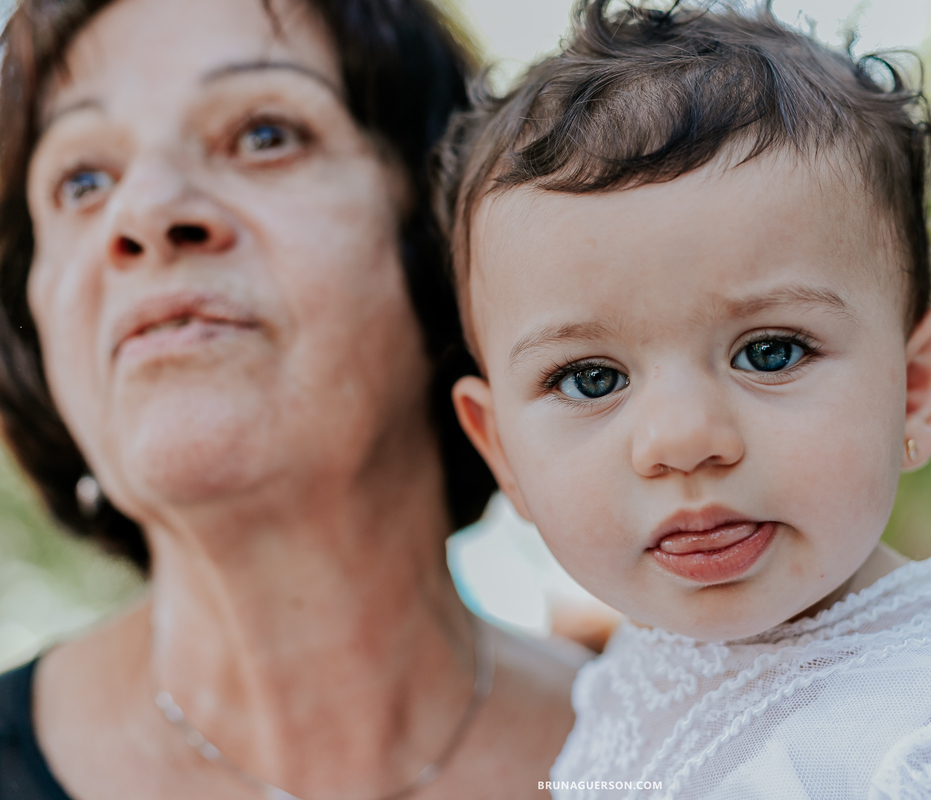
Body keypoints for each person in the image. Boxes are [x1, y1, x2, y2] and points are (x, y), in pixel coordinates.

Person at [434, 1, 931, 797]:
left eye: (770, 353)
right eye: (592, 378)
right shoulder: (633, 677)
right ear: (502, 454)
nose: (683, 439)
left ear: (918, 387)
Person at [0, 0, 586, 797]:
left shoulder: (723, 754)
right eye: (83, 179)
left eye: (264, 135)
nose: (142, 213)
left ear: (444, 246)